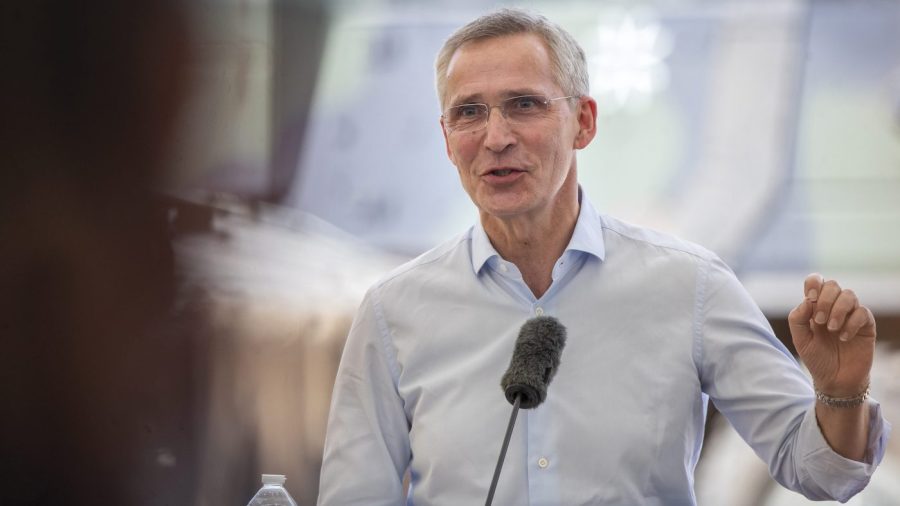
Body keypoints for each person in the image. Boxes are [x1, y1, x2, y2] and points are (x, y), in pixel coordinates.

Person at [317, 8, 889, 505]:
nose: (495, 137)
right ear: (446, 140)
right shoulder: (393, 313)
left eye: (523, 104)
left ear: (584, 123)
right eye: (469, 112)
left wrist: (842, 391)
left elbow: (822, 475)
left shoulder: (690, 285)